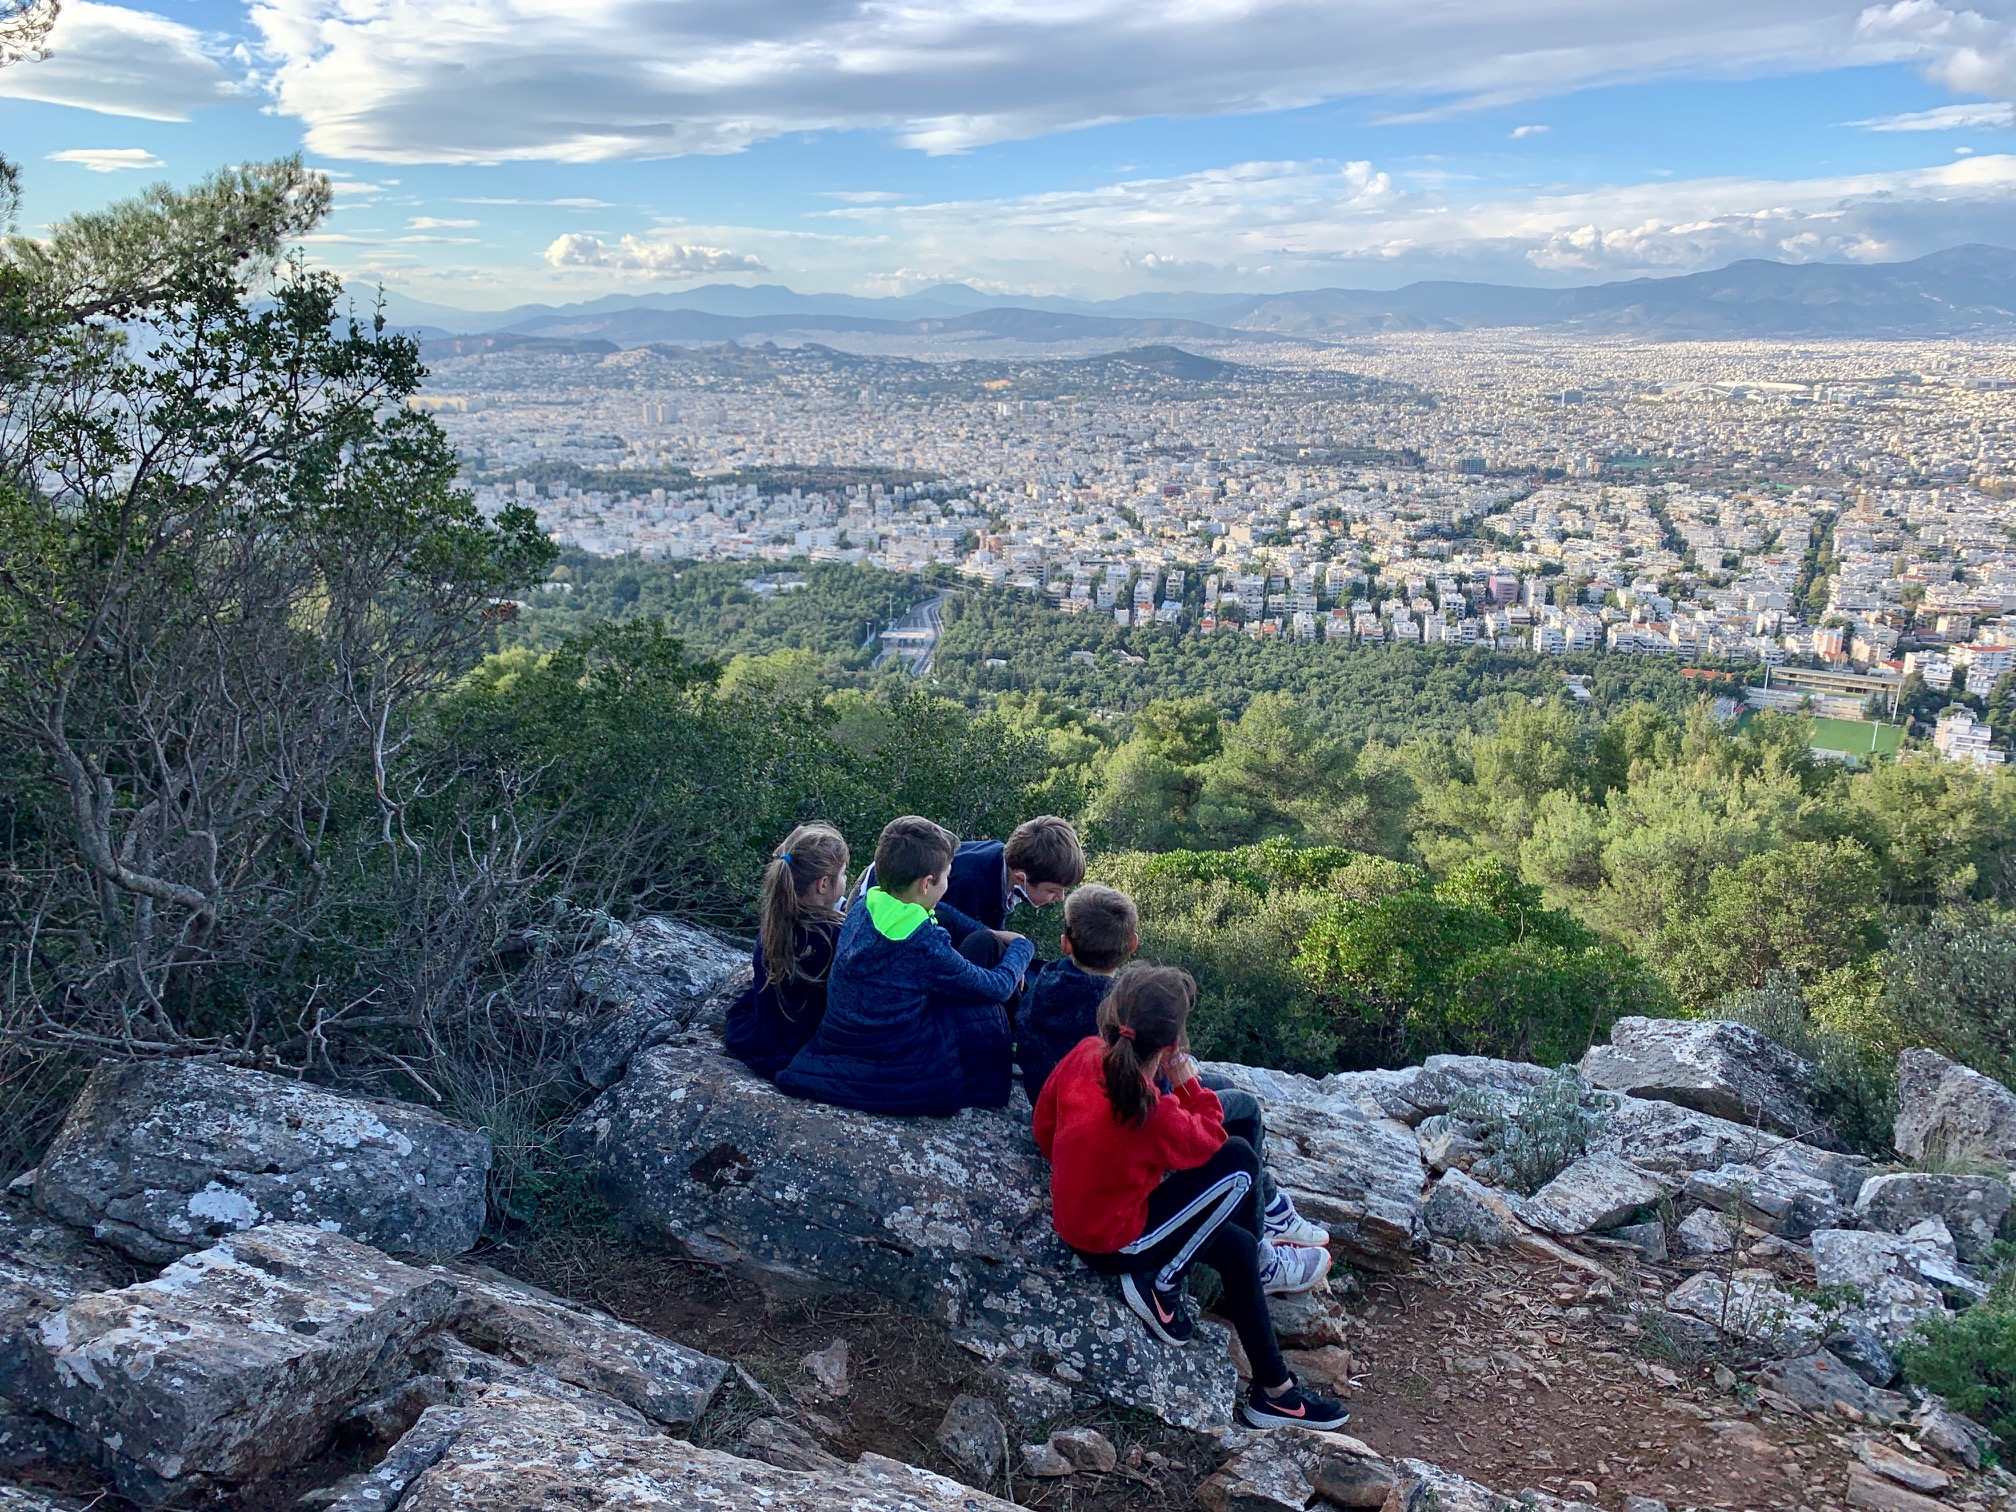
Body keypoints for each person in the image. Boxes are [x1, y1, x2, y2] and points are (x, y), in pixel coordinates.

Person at [1033, 964, 1350, 1431]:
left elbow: (1044, 1125)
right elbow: (1209, 1138)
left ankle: (1275, 1393)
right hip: (1116, 1241)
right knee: (1240, 1160)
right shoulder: (1151, 1110)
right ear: (1170, 1047)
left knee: (1239, 1249)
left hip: (1088, 1215)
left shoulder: (1084, 1055)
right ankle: (1162, 1279)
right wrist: (1187, 1081)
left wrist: (1090, 1170)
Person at [1018, 884, 1332, 1257]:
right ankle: (1264, 1227)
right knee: (1243, 1106)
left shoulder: (1045, 984)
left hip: (1066, 1099)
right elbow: (1163, 1097)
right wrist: (1184, 1078)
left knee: (1221, 1085)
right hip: (1116, 1103)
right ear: (1132, 944)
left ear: (1065, 943)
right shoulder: (1121, 1010)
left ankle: (1270, 1207)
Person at [778, 816, 1033, 1116]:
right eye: (947, 875)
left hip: (840, 1037)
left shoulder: (865, 905)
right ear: (927, 883)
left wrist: (992, 932)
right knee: (980, 1015)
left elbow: (943, 911)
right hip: (892, 1054)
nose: (948, 882)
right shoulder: (923, 942)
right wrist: (1022, 948)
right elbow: (996, 987)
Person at [723, 823, 849, 1080]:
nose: (846, 880)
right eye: (844, 874)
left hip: (763, 1037)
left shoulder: (776, 921)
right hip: (802, 1046)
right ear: (823, 884)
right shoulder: (832, 936)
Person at [853, 815, 1085, 932]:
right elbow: (943, 925)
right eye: (1053, 890)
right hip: (876, 897)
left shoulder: (1004, 861)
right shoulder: (969, 885)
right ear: (1021, 878)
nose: (1060, 898)